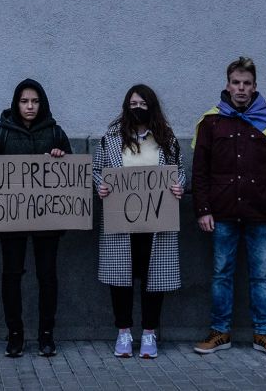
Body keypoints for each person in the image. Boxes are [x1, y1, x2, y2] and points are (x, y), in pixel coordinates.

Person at [191, 56, 266, 358]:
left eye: (246, 84)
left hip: (261, 214)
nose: (240, 88)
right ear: (227, 85)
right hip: (221, 213)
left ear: (254, 87)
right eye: (236, 83)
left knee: (261, 276)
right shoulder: (211, 121)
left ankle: (263, 334)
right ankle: (219, 332)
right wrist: (202, 209)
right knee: (221, 274)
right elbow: (200, 171)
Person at [93, 84, 186, 359]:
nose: (137, 108)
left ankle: (149, 333)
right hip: (120, 220)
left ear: (152, 107)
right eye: (133, 103)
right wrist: (101, 186)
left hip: (156, 222)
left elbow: (179, 170)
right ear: (126, 106)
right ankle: (123, 332)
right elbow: (98, 170)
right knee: (119, 278)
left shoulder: (166, 139)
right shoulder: (110, 138)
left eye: (143, 103)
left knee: (153, 278)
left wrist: (179, 186)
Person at [0, 79, 73, 357]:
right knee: (11, 276)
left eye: (34, 101)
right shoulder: (2, 135)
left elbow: (72, 177)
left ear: (42, 103)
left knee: (47, 276)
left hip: (48, 221)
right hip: (12, 221)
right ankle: (15, 335)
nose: (30, 107)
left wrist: (62, 158)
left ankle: (46, 335)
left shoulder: (56, 133)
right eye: (24, 101)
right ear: (16, 104)